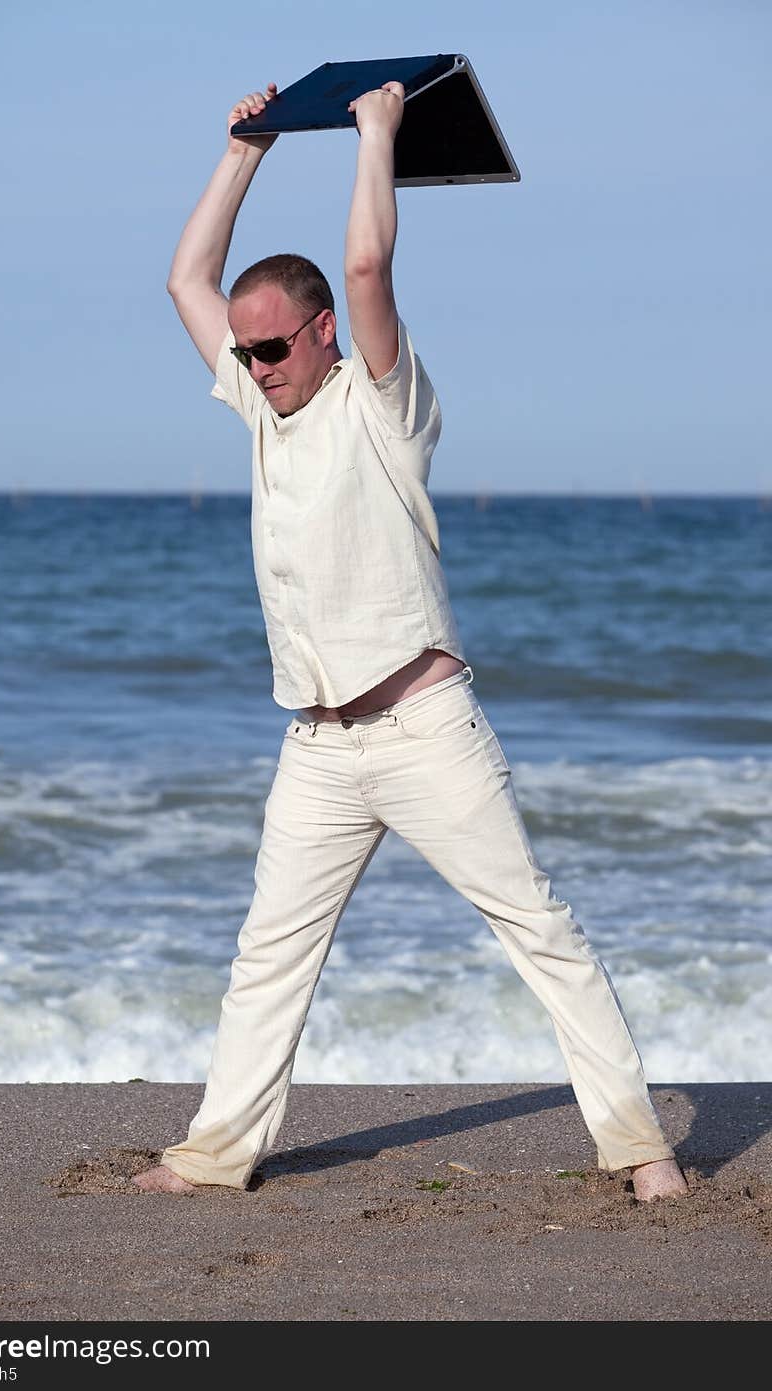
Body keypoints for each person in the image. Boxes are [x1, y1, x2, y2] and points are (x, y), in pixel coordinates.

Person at [134, 79, 687, 1203]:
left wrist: (374, 133)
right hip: (321, 747)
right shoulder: (258, 410)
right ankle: (213, 1153)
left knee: (537, 927)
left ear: (322, 328)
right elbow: (184, 279)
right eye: (243, 355)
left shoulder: (380, 402)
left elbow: (373, 265)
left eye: (274, 347)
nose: (255, 367)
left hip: (425, 725)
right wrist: (247, 148)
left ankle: (641, 1147)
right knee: (266, 956)